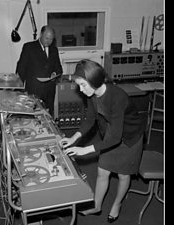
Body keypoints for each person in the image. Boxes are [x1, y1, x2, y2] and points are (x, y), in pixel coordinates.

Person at [59, 59, 147, 223]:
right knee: (102, 171)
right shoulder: (92, 93)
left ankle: (117, 204)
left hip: (130, 137)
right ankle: (97, 205)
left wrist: (84, 150)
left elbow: (116, 137)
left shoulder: (117, 96)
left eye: (83, 84)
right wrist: (74, 137)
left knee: (123, 174)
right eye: (79, 85)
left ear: (94, 81)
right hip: (111, 133)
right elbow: (90, 118)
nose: (80, 89)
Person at [16, 25, 63, 116]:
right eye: (46, 38)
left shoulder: (54, 50)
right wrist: (19, 90)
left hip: (49, 92)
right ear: (41, 34)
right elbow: (21, 69)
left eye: (51, 39)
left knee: (48, 117)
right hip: (33, 90)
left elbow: (59, 68)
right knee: (32, 117)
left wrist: (55, 73)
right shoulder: (29, 47)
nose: (49, 41)